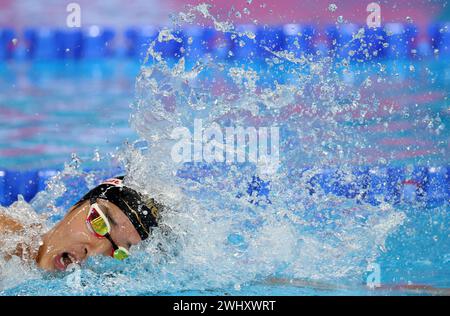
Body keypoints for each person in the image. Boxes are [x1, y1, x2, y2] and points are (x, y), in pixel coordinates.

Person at [0, 176, 163, 271]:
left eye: (118, 251)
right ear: (76, 205)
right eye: (99, 222)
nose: (94, 253)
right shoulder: (6, 239)